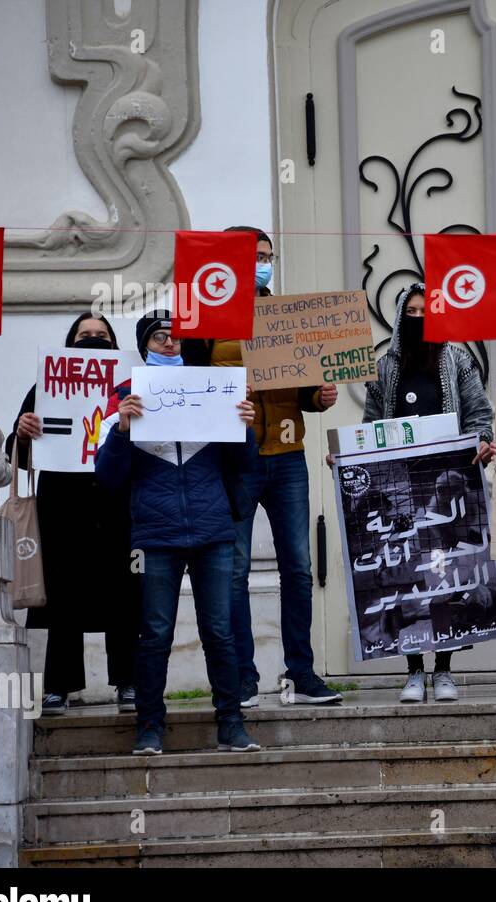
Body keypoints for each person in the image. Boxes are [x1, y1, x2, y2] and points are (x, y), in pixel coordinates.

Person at [182, 226, 343, 708]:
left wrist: (320, 395)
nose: (263, 264)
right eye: (254, 256)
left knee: (297, 568)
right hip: (233, 460)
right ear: (229, 262)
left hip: (288, 457)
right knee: (233, 573)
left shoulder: (289, 316)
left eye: (268, 256)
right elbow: (188, 388)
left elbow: (307, 388)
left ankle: (302, 674)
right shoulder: (204, 317)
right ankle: (243, 679)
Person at [96, 311, 263, 755]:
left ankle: (231, 723)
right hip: (156, 534)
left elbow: (247, 465)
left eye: (176, 339)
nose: (170, 345)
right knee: (154, 634)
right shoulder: (124, 396)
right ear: (144, 346)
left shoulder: (212, 389)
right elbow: (108, 477)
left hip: (212, 530)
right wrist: (122, 431)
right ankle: (149, 727)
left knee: (220, 632)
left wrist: (247, 428)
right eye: (159, 339)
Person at [362, 282, 496, 703]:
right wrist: (348, 460)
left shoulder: (457, 360)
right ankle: (413, 670)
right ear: (402, 316)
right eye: (412, 311)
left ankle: (444, 670)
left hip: (446, 485)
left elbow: (479, 413)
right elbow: (369, 423)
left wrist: (481, 441)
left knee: (446, 573)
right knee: (408, 576)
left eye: (427, 311)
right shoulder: (386, 367)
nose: (420, 318)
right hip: (400, 488)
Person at [6, 312, 139, 715]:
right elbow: (18, 454)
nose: (93, 340)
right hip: (62, 502)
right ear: (70, 342)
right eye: (84, 335)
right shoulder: (47, 386)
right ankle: (59, 686)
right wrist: (22, 431)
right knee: (62, 592)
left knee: (125, 591)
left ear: (115, 345)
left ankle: (129, 680)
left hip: (118, 500)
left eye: (101, 335)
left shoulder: (133, 387)